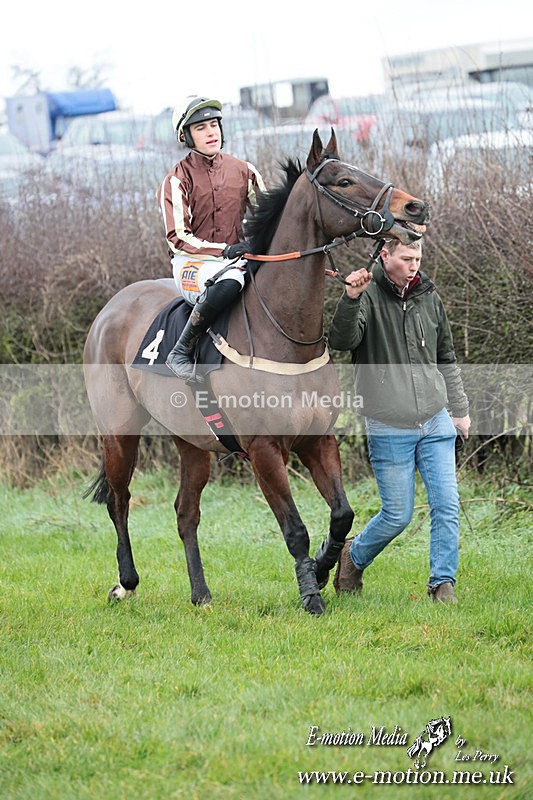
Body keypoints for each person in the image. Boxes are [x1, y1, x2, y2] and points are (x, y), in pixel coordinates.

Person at [328, 238, 471, 603]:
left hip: (435, 420)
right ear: (385, 255)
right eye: (407, 258)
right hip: (389, 424)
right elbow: (343, 341)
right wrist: (350, 298)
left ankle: (442, 583)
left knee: (447, 505)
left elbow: (446, 356)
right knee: (397, 515)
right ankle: (352, 556)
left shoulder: (428, 295)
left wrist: (460, 410)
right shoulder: (367, 294)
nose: (414, 264)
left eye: (418, 258)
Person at [157, 96, 266, 382]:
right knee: (230, 282)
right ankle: (181, 350)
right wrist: (227, 250)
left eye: (214, 125)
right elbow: (177, 238)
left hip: (239, 257)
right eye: (201, 127)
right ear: (186, 136)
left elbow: (269, 220)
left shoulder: (245, 171)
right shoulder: (176, 179)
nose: (211, 132)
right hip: (192, 263)